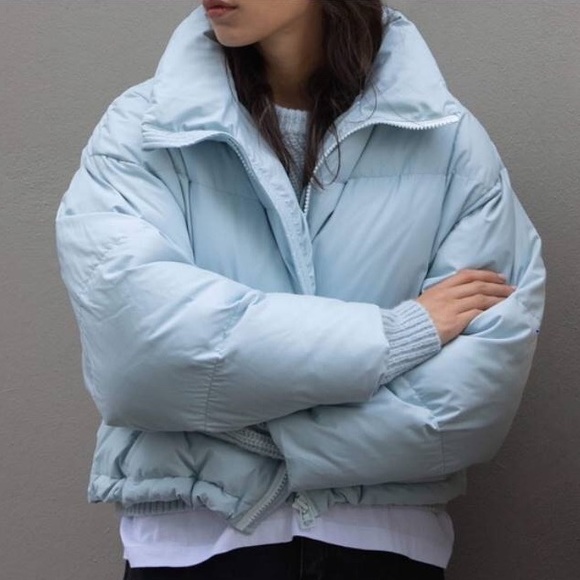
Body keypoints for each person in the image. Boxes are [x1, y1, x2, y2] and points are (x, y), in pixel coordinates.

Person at [55, 1, 546, 578]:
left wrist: (231, 416)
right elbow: (140, 353)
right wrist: (398, 335)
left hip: (381, 548)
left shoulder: (449, 142)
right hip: (194, 548)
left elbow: (472, 398)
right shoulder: (141, 132)